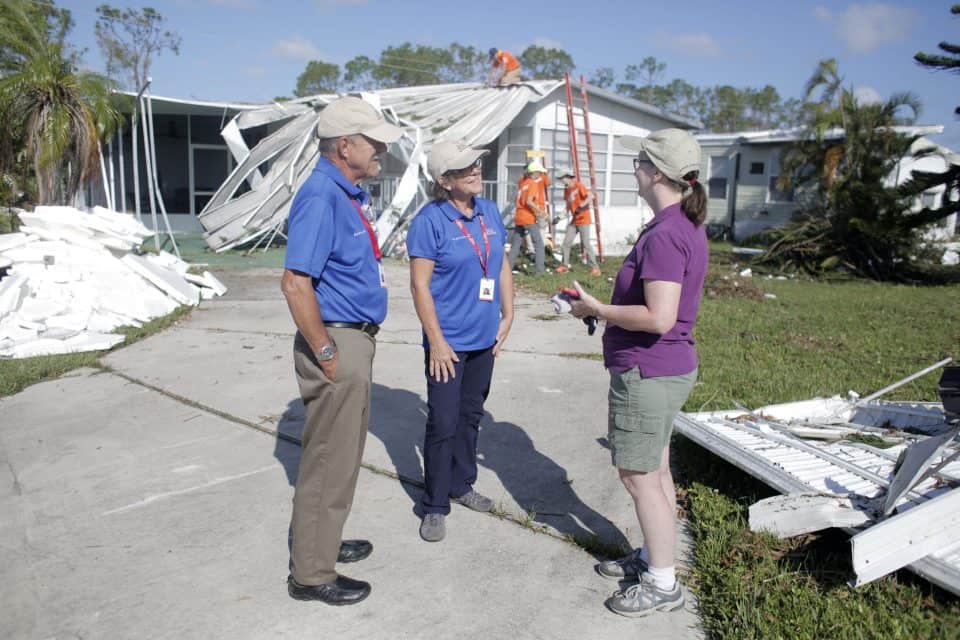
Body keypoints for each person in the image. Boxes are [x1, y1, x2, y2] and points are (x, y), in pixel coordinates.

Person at [567, 128, 708, 618]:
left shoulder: (668, 233)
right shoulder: (678, 224)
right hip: (666, 368)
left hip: (648, 371)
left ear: (653, 173)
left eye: (637, 164)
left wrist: (598, 309)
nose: (633, 171)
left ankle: (663, 583)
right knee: (657, 468)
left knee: (639, 477)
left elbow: (659, 317)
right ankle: (655, 554)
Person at [281, 96, 403, 605]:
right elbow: (294, 283)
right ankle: (310, 574)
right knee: (328, 459)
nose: (381, 151)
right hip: (336, 338)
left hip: (353, 337)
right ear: (344, 145)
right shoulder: (320, 196)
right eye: (373, 142)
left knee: (343, 456)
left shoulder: (346, 193)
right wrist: (328, 352)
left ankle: (322, 544)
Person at [406, 140, 514, 542]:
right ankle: (434, 504)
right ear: (444, 181)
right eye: (465, 168)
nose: (475, 171)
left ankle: (461, 483)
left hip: (483, 339)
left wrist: (509, 314)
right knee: (443, 422)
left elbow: (500, 265)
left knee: (471, 417)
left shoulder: (488, 211)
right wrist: (435, 340)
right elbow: (419, 286)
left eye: (476, 165)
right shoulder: (429, 221)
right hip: (448, 342)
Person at [554, 167, 602, 276]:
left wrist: (581, 206)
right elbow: (568, 207)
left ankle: (595, 268)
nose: (561, 180)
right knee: (566, 243)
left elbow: (591, 196)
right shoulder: (566, 190)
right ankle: (564, 265)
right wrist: (559, 217)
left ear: (567, 177)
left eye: (562, 178)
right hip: (574, 220)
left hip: (584, 219)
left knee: (585, 243)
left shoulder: (578, 185)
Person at [507, 161, 548, 275]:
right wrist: (541, 212)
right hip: (528, 218)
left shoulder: (523, 183)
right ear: (534, 172)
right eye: (539, 172)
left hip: (519, 217)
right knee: (539, 244)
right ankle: (540, 272)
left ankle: (507, 269)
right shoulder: (532, 184)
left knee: (516, 245)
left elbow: (521, 200)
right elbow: (529, 201)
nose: (540, 175)